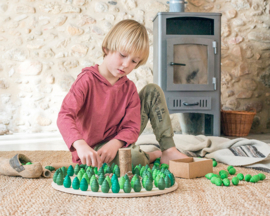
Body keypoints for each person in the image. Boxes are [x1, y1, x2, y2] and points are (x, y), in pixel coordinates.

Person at [57, 19, 188, 168]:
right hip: (93, 151)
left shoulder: (129, 88)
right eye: (123, 55)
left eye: (134, 61)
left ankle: (168, 150)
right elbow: (64, 116)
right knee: (133, 159)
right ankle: (151, 155)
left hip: (119, 141)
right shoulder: (87, 80)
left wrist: (116, 143)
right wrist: (80, 146)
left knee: (153, 91)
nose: (126, 65)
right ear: (107, 48)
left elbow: (132, 127)